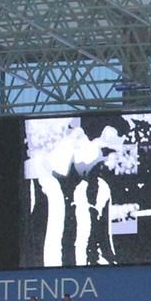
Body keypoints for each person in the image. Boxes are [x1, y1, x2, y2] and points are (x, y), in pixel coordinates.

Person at [27, 113, 128, 266]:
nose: (107, 161)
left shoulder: (101, 189)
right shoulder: (32, 177)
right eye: (105, 151)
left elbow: (105, 251)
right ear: (79, 137)